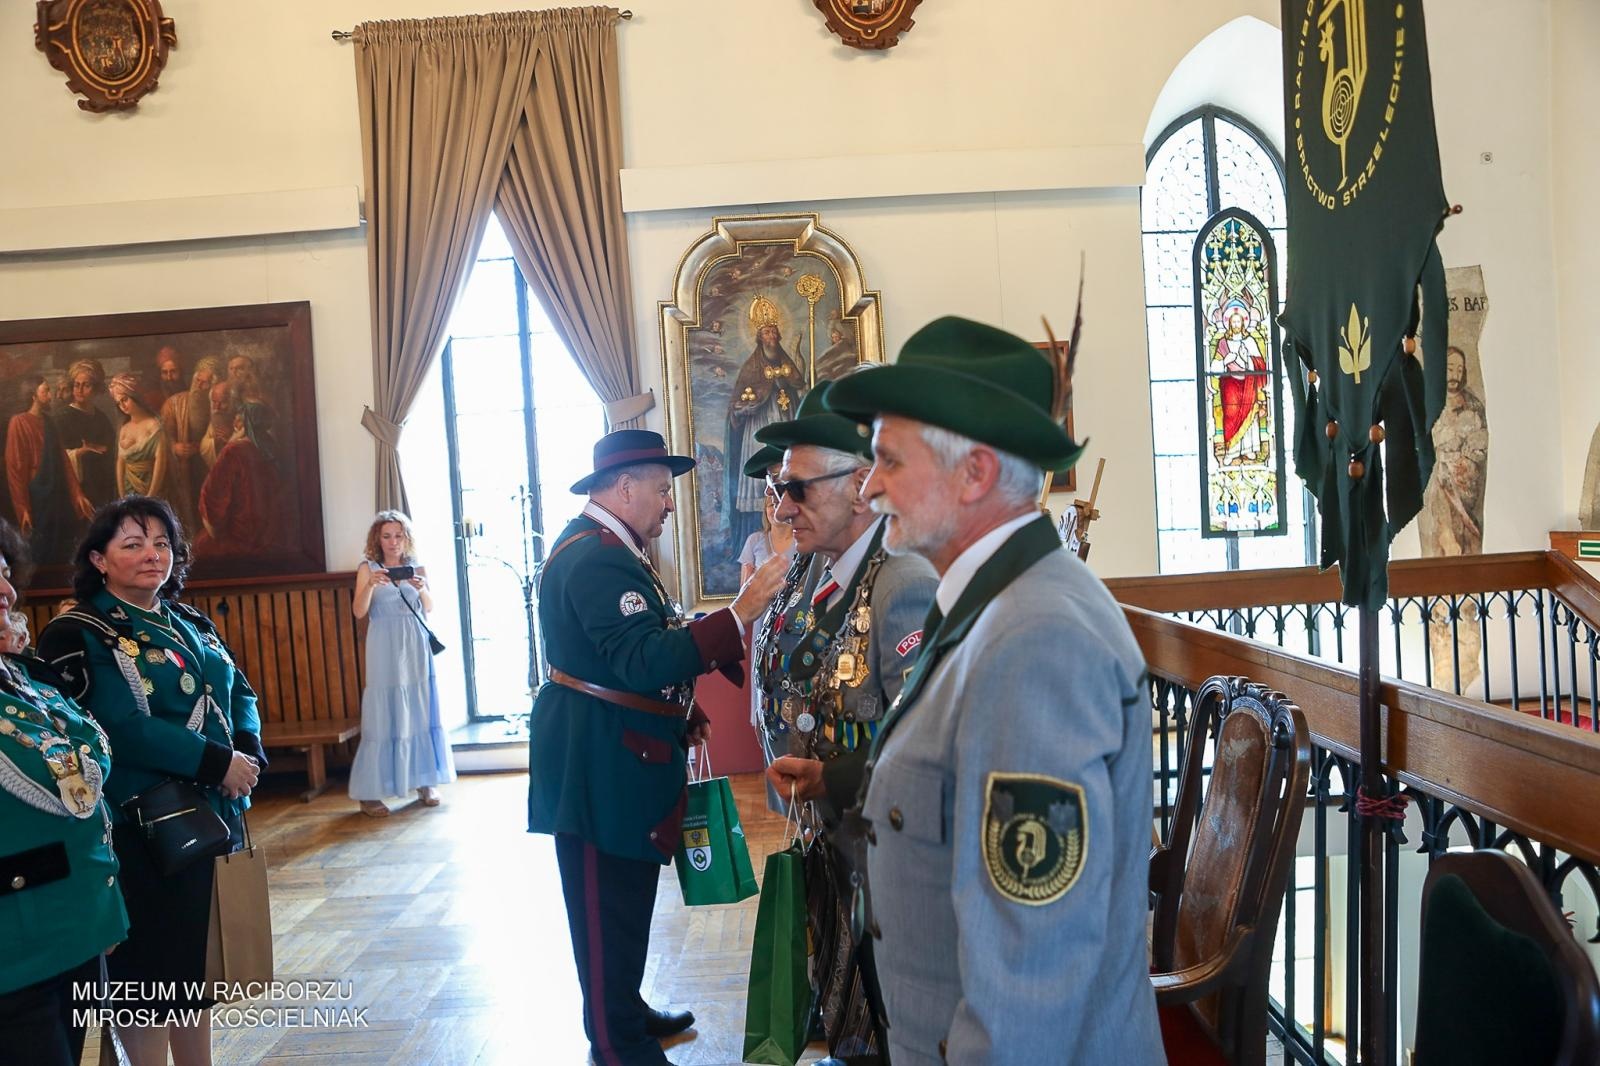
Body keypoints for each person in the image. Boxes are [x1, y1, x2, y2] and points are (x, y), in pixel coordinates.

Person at [814, 316, 1165, 1064]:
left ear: (973, 474)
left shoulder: (1037, 640)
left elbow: (1030, 972)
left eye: (888, 461)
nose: (869, 486)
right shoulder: (989, 606)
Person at [528, 428, 787, 1066]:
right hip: (597, 762)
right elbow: (641, 657)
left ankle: (625, 1007)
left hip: (623, 748)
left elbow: (623, 654)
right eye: (661, 489)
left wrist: (680, 709)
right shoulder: (595, 558)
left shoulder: (615, 550)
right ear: (623, 487)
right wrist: (740, 612)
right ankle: (617, 1044)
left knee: (627, 898)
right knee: (604, 904)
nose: (669, 503)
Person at [38, 495, 267, 1066]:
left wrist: (248, 748)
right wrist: (218, 762)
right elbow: (119, 725)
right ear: (99, 558)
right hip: (142, 824)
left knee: (196, 971)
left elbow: (238, 690)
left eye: (162, 543)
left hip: (213, 812)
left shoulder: (189, 619)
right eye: (133, 543)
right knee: (150, 980)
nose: (152, 555)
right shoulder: (77, 632)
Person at [755, 381, 938, 1063]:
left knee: (893, 1020)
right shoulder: (828, 575)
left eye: (799, 489)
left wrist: (829, 777)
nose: (784, 506)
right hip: (841, 846)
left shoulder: (902, 582)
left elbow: (921, 737)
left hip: (890, 857)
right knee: (853, 1014)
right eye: (779, 490)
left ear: (861, 484)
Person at [0, 518, 128, 1066]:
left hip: (77, 926)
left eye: (5, 575)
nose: (7, 591)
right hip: (17, 950)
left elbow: (85, 757)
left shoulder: (26, 679)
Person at [348, 510, 455, 816]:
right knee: (383, 713)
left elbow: (429, 608)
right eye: (386, 536)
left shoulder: (416, 567)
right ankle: (369, 794)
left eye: (398, 535)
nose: (393, 542)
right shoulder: (367, 568)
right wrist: (371, 584)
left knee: (420, 708)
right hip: (384, 644)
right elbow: (358, 612)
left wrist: (422, 588)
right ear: (377, 539)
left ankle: (425, 780)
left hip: (416, 644)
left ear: (406, 538)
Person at [725, 296, 808, 555]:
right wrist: (746, 407)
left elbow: (797, 382)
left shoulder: (785, 360)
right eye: (766, 332)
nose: (771, 336)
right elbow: (736, 405)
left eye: (773, 331)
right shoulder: (752, 366)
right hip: (757, 430)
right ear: (760, 337)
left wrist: (798, 372)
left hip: (784, 420)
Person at [6, 376, 95, 562]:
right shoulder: (19, 422)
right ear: (33, 396)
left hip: (57, 495)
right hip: (36, 496)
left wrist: (77, 494)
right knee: (39, 548)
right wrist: (22, 508)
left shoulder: (49, 422)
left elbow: (63, 461)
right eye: (45, 391)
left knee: (60, 547)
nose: (50, 396)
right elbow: (15, 469)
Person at [160, 356, 221, 536]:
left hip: (210, 468)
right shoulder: (173, 403)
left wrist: (209, 444)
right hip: (183, 469)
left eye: (206, 383)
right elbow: (161, 436)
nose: (199, 387)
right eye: (198, 381)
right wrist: (174, 447)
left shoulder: (220, 404)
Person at [56, 359, 116, 509]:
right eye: (77, 384)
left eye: (86, 385)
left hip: (101, 485)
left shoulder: (102, 418)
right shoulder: (62, 418)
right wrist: (78, 453)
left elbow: (111, 449)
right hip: (77, 488)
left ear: (96, 389)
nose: (80, 390)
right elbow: (55, 457)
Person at [738, 444, 796, 584]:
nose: (768, 491)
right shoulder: (755, 540)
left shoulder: (812, 545)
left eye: (777, 479)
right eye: (769, 480)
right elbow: (744, 590)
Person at [109, 375, 172, 499]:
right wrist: (122, 496)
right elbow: (120, 463)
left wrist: (150, 496)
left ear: (135, 396)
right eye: (118, 403)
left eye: (125, 399)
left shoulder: (154, 425)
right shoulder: (124, 428)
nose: (122, 405)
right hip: (128, 490)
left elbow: (160, 462)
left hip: (151, 487)